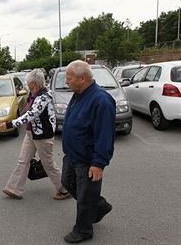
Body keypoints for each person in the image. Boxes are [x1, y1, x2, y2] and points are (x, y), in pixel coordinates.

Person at [61, 60, 115, 244]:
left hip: (88, 159)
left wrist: (98, 163)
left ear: (82, 78)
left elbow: (105, 135)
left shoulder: (101, 100)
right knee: (67, 183)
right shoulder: (78, 94)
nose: (66, 82)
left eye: (68, 78)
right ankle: (99, 206)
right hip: (72, 155)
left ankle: (83, 230)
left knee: (84, 197)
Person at [0, 69, 70, 201]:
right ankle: (14, 189)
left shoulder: (43, 97)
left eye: (28, 81)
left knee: (48, 164)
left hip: (43, 136)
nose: (26, 84)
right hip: (31, 133)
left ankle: (65, 189)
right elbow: (26, 112)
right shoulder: (32, 95)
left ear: (33, 83)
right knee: (23, 161)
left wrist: (10, 124)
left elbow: (31, 114)